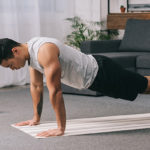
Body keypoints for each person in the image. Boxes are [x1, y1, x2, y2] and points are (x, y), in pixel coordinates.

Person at [0, 37, 150, 137]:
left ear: (15, 51)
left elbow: (56, 91)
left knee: (143, 86)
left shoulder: (44, 51)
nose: (12, 69)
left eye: (10, 65)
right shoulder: (31, 55)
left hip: (102, 73)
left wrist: (60, 128)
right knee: (141, 85)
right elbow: (36, 86)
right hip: (95, 78)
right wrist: (35, 118)